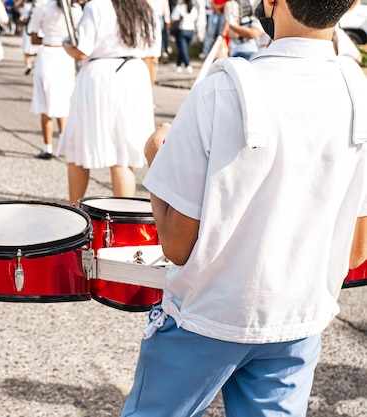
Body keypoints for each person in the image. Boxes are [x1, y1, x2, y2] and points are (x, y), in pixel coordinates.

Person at [120, 0, 367, 415]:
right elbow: (357, 251)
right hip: (298, 322)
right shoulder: (359, 95)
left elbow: (178, 245)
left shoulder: (222, 88)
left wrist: (156, 155)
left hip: (207, 318)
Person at [58, 0, 156, 206]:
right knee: (123, 157)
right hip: (136, 76)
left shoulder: (97, 6)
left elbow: (82, 50)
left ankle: (75, 215)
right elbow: (152, 57)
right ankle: (123, 223)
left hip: (100, 75)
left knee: (80, 148)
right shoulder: (145, 8)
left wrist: (66, 43)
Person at [27, 0, 82, 159]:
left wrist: (47, 38)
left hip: (48, 54)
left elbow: (33, 37)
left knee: (45, 103)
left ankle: (47, 147)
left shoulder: (42, 9)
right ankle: (65, 145)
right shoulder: (76, 10)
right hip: (66, 56)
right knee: (64, 101)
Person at [170, 0, 198, 73]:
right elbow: (195, 18)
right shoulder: (193, 9)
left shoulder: (179, 8)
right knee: (182, 49)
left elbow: (173, 18)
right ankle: (178, 65)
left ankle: (187, 65)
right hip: (191, 31)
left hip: (181, 31)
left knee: (183, 49)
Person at [144, 0, 168, 84]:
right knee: (151, 55)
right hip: (155, 17)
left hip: (150, 16)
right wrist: (167, 20)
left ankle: (163, 50)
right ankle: (163, 50)